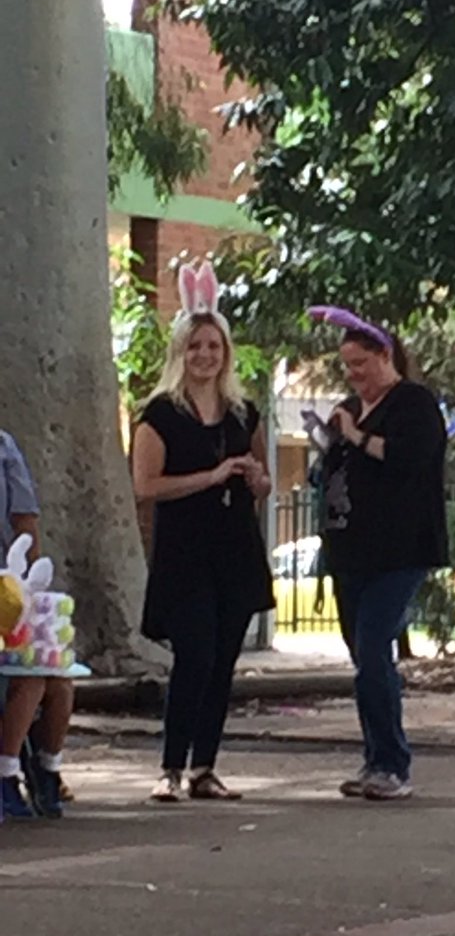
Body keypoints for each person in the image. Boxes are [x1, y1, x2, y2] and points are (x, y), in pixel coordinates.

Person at [132, 261, 274, 804]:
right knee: (195, 654)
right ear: (180, 353)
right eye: (195, 347)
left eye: (213, 346)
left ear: (226, 353)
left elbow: (260, 482)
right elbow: (146, 486)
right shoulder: (160, 414)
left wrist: (256, 479)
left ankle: (204, 767)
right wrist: (209, 477)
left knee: (223, 663)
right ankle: (169, 767)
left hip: (234, 550)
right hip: (185, 554)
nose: (205, 356)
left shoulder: (244, 412)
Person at [309, 305, 448, 801]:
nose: (354, 376)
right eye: (347, 367)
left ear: (384, 355)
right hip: (351, 549)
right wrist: (328, 443)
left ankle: (393, 762)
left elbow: (410, 459)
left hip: (400, 548)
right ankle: (374, 757)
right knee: (363, 658)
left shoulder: (413, 403)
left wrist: (357, 436)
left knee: (374, 647)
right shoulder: (348, 407)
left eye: (361, 364)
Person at [0, 430, 74, 820]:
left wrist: (26, 592)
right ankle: (7, 773)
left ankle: (45, 767)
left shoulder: (4, 447)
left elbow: (25, 524)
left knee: (50, 675)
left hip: (6, 588)